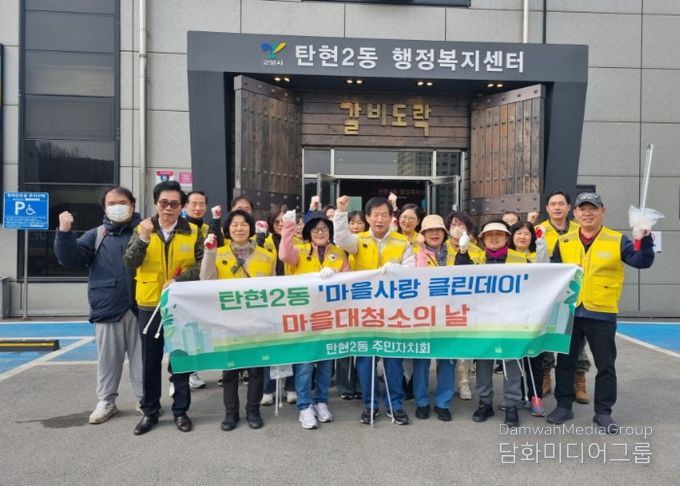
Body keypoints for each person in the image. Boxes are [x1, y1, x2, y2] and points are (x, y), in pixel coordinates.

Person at [546, 193, 655, 433]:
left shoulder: (617, 240)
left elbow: (642, 261)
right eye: (582, 209)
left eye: (593, 208)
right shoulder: (564, 241)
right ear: (575, 213)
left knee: (605, 364)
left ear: (602, 211)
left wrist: (645, 239)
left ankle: (603, 412)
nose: (587, 213)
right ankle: (563, 405)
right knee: (565, 362)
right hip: (570, 310)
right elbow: (553, 275)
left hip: (601, 312)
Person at [54, 187, 143, 424]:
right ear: (104, 208)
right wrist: (64, 232)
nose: (117, 207)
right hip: (108, 305)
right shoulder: (97, 234)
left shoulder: (145, 230)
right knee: (108, 360)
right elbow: (70, 258)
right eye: (111, 203)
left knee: (142, 359)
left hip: (140, 305)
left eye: (122, 202)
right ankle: (106, 401)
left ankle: (146, 399)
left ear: (132, 204)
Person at [124, 181, 204, 435]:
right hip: (150, 303)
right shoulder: (142, 228)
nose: (169, 208)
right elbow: (130, 261)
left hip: (182, 302)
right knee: (150, 359)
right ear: (155, 203)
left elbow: (204, 266)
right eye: (164, 203)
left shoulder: (193, 231)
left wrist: (180, 279)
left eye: (174, 204)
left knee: (180, 359)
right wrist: (143, 239)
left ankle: (181, 411)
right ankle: (150, 411)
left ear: (182, 206)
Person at [334, 195, 415, 425]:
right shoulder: (357, 240)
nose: (380, 219)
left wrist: (396, 269)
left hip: (393, 311)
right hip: (364, 311)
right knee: (366, 360)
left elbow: (411, 270)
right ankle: (370, 405)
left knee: (393, 359)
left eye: (384, 215)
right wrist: (341, 213)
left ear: (391, 217)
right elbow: (340, 238)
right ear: (368, 217)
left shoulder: (402, 242)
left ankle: (395, 405)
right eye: (375, 215)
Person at [199, 209, 276, 431]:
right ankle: (230, 413)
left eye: (243, 224)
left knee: (256, 371)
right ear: (227, 229)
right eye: (234, 224)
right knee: (230, 370)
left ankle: (253, 410)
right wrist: (209, 253)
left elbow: (272, 288)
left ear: (250, 228)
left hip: (256, 322)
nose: (239, 228)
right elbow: (206, 280)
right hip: (228, 322)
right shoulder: (218, 252)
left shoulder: (266, 256)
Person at [279, 210, 350, 429]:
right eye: (316, 229)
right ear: (309, 232)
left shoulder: (339, 253)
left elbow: (348, 281)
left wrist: (336, 276)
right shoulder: (299, 251)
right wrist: (288, 227)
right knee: (305, 365)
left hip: (329, 318)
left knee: (326, 365)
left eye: (324, 228)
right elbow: (284, 255)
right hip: (303, 318)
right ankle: (304, 406)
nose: (320, 232)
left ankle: (321, 402)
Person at [456, 219, 528, 428]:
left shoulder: (520, 259)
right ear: (482, 239)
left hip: (512, 320)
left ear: (507, 238)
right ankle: (485, 402)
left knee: (511, 361)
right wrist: (462, 253)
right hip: (483, 319)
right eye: (489, 235)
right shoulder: (476, 258)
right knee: (483, 362)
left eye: (499, 234)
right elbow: (460, 276)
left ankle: (512, 404)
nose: (494, 238)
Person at [537, 191, 591, 402]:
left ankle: (579, 379)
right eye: (553, 204)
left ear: (570, 208)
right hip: (548, 293)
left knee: (576, 338)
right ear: (547, 208)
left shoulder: (581, 229)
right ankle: (546, 375)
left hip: (576, 291)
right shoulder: (538, 230)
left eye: (561, 203)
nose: (557, 207)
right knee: (548, 335)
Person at [412, 215, 457, 421]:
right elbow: (417, 276)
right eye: (429, 230)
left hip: (450, 313)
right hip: (423, 313)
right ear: (422, 234)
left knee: (447, 359)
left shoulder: (455, 252)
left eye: (438, 230)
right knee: (421, 360)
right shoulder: (415, 253)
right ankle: (421, 402)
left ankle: (443, 403)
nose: (434, 233)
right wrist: (421, 251)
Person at [258, 205, 297, 406]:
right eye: (277, 221)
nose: (281, 224)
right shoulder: (263, 243)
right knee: (270, 345)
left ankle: (291, 387)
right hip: (270, 300)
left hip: (293, 299)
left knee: (292, 345)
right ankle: (268, 388)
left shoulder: (298, 242)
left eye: (285, 221)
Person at [509, 221, 546, 417]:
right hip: (511, 315)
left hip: (534, 314)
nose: (522, 237)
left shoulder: (538, 256)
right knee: (514, 358)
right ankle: (516, 396)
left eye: (526, 233)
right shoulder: (505, 257)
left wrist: (542, 244)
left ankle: (535, 396)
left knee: (534, 357)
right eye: (518, 233)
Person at [445, 211, 481, 400]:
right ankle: (445, 382)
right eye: (453, 225)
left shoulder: (476, 250)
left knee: (465, 345)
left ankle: (464, 382)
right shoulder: (442, 247)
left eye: (461, 225)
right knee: (445, 344)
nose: (457, 228)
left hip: (467, 304)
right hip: (444, 303)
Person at [335, 210, 366, 400]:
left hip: (363, 300)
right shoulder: (337, 248)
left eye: (359, 223)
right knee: (343, 347)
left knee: (363, 346)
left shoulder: (367, 244)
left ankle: (360, 385)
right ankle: (344, 386)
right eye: (352, 223)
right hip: (342, 302)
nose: (355, 226)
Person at [182, 191, 210, 391]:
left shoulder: (210, 228)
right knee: (184, 332)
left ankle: (194, 370)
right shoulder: (181, 228)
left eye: (201, 204)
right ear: (185, 206)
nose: (198, 208)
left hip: (203, 288)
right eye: (194, 204)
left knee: (199, 333)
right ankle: (184, 374)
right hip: (184, 287)